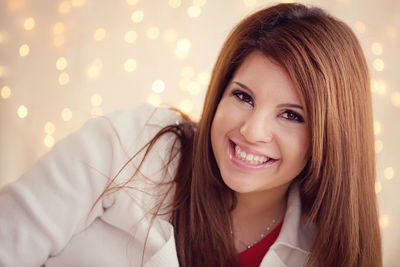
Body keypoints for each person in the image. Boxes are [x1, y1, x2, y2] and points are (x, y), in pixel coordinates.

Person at [0, 3, 382, 267]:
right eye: (243, 96)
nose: (252, 131)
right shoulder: (130, 143)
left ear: (331, 137)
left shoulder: (323, 248)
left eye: (290, 115)